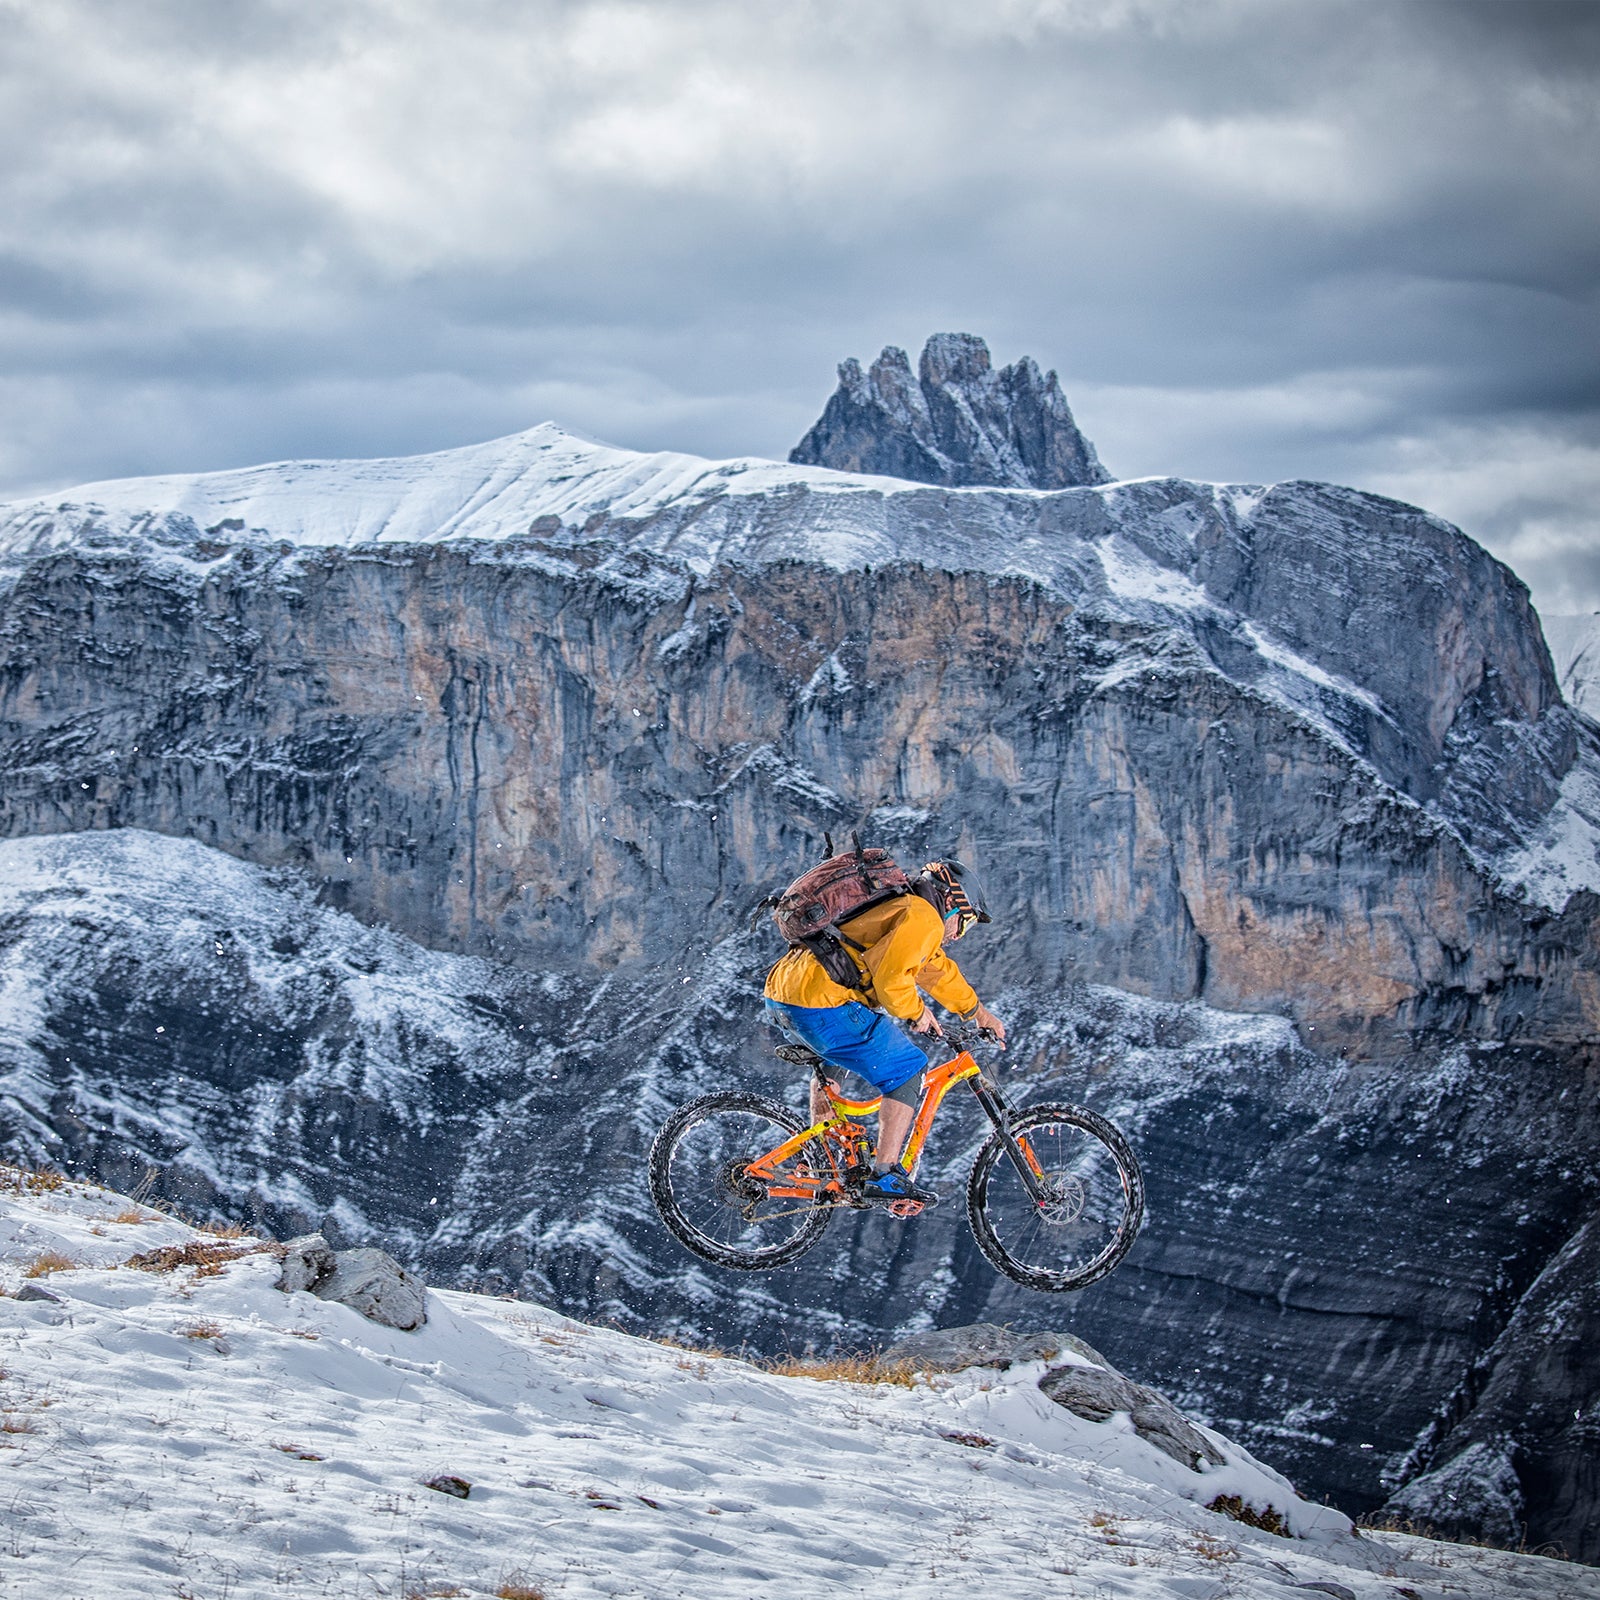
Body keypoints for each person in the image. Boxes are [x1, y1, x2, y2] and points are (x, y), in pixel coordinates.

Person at [762, 859, 1007, 1206]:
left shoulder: (903, 907)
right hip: (821, 1003)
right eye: (965, 925)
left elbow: (936, 971)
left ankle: (824, 1157)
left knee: (835, 1060)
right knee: (907, 1068)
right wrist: (918, 1014)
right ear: (954, 903)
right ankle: (886, 1173)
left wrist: (979, 1014)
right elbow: (892, 983)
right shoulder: (922, 917)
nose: (958, 935)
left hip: (785, 996)